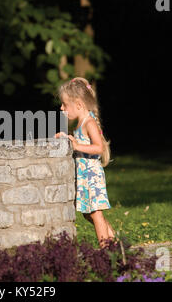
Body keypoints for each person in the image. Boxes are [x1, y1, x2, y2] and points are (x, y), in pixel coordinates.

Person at [55, 77, 115, 248]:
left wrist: (77, 145)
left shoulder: (89, 123)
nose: (61, 108)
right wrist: (68, 139)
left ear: (79, 105)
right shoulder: (80, 124)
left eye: (65, 105)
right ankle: (114, 243)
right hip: (84, 176)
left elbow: (98, 148)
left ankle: (106, 250)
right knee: (88, 214)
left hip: (91, 176)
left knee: (95, 213)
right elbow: (80, 144)